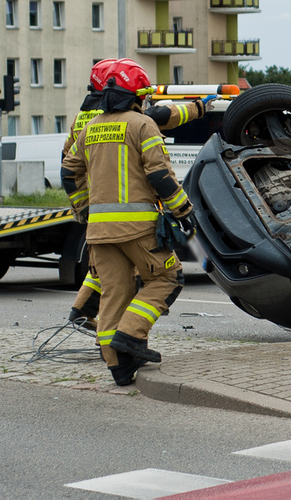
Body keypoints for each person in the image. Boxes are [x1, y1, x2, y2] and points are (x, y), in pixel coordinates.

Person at [61, 58, 195, 386]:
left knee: (114, 293)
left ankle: (119, 367)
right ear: (136, 95)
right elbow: (159, 174)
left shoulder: (91, 127)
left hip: (99, 231)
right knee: (167, 278)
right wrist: (184, 211)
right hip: (138, 228)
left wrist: (84, 211)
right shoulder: (141, 124)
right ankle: (131, 336)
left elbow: (68, 172)